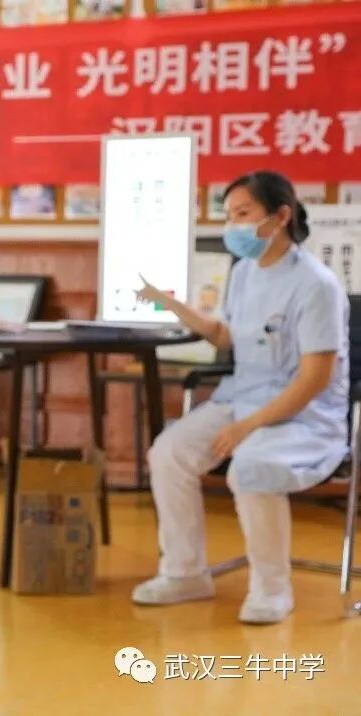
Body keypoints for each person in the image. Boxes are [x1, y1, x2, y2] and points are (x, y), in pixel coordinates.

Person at [132, 171, 349, 624]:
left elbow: (314, 379)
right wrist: (170, 304)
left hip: (304, 416)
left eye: (243, 213)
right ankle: (185, 574)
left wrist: (247, 427)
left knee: (251, 467)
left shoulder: (316, 285)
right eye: (228, 215)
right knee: (168, 453)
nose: (232, 226)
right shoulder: (244, 272)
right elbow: (226, 335)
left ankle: (272, 590)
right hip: (243, 399)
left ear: (281, 216)